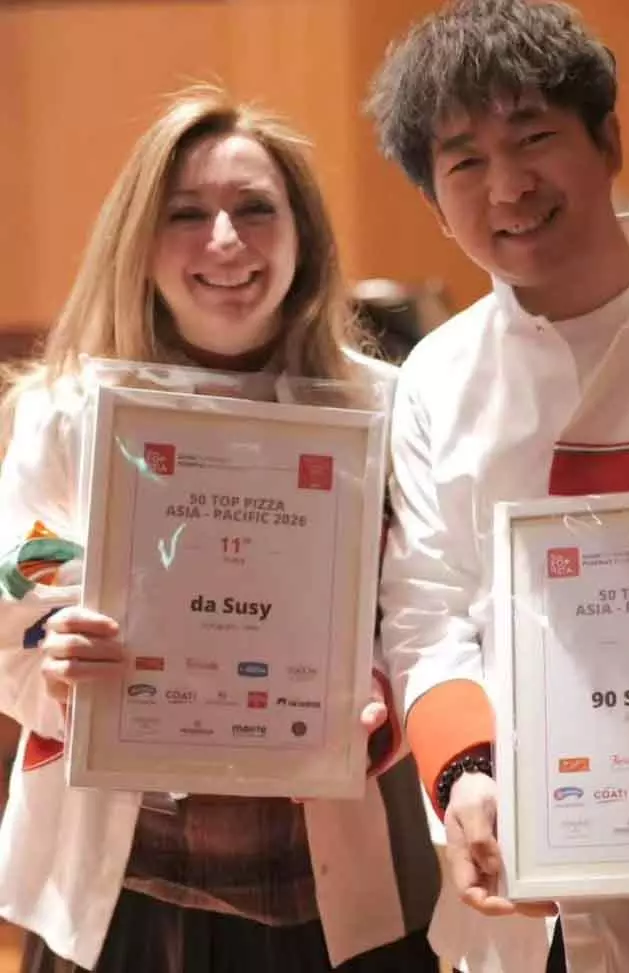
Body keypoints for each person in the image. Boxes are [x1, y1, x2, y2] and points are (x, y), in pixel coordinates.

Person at [368, 2, 629, 971]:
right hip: (531, 893)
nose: (508, 186)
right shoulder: (437, 376)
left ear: (606, 140)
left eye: (533, 138)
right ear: (434, 201)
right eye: (464, 162)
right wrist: (468, 776)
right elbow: (428, 612)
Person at [0, 86, 442, 972]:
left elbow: (425, 609)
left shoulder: (388, 409)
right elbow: (15, 597)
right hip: (119, 897)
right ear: (140, 241)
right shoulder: (68, 411)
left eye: (256, 209)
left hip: (332, 892)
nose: (226, 240)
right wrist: (60, 660)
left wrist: (377, 695)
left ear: (304, 235)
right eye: (186, 214)